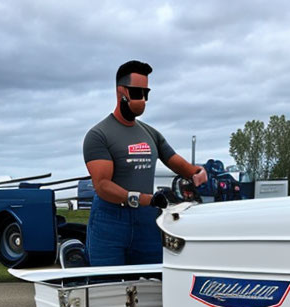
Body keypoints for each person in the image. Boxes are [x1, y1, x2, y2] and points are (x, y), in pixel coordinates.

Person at [82, 60, 208, 266]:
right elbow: (103, 186)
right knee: (106, 288)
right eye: (137, 93)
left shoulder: (151, 134)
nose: (143, 100)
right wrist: (145, 199)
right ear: (121, 92)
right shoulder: (98, 135)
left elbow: (182, 166)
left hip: (146, 221)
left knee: (151, 285)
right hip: (110, 222)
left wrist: (199, 173)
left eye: (146, 94)